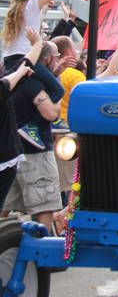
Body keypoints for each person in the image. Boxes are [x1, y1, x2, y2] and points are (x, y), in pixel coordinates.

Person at [2, 41, 64, 232]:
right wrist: (57, 105)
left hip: (11, 154)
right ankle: (39, 248)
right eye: (56, 57)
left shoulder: (10, 80)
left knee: (4, 206)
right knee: (44, 206)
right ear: (47, 59)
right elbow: (50, 113)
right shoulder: (34, 84)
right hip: (36, 154)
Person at [1, 0, 66, 117]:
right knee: (57, 90)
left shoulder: (17, 7)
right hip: (25, 58)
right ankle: (32, 122)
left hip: (10, 58)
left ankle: (26, 121)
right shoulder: (32, 5)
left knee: (26, 91)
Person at [0, 28, 41, 209]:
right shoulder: (3, 87)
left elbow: (21, 68)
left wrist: (37, 44)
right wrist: (38, 43)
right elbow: (17, 73)